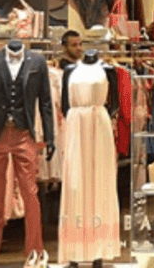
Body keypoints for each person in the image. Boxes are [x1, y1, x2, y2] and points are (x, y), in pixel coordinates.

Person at [0, 39, 56, 268]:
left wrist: (50, 137)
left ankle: (35, 250)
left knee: (30, 193)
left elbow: (46, 102)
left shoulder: (37, 61)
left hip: (24, 133)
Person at [59, 50, 120, 268]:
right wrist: (79, 117)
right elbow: (64, 105)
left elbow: (116, 105)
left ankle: (99, 251)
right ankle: (73, 251)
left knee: (100, 183)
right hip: (76, 125)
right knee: (75, 184)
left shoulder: (108, 69)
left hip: (99, 125)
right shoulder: (69, 70)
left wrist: (100, 117)